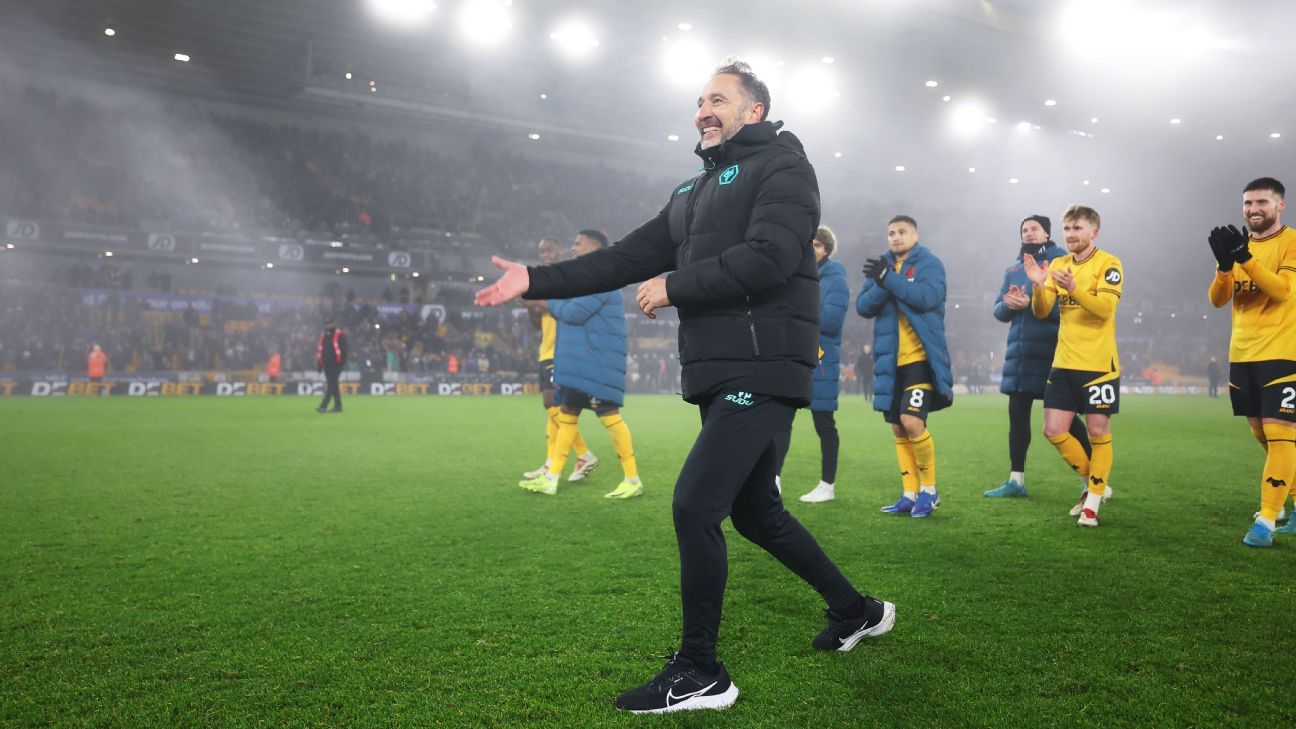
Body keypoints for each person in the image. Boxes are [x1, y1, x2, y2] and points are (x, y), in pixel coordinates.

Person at [476, 60, 892, 714]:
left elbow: (774, 255)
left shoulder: (783, 166)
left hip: (762, 365)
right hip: (721, 370)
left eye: (718, 98)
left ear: (753, 111)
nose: (703, 108)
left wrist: (676, 284)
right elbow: (619, 260)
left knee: (694, 504)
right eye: (699, 99)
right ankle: (856, 609)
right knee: (755, 511)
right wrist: (533, 278)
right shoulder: (693, 192)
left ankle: (701, 669)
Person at [517, 230, 642, 499]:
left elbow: (574, 313)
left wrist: (540, 300)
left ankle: (632, 479)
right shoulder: (587, 278)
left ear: (594, 248)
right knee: (567, 413)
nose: (573, 248)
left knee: (609, 416)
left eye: (577, 243)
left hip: (596, 362)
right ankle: (552, 478)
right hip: (580, 361)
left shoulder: (603, 278)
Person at [1206, 177, 1296, 546]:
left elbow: (1282, 291)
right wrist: (1225, 265)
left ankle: (1268, 520)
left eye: (1261, 202)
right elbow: (1217, 300)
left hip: (1283, 352)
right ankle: (1291, 502)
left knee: (1280, 432)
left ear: (1280, 205)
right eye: (1247, 203)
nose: (1253, 209)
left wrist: (1245, 257)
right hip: (1242, 354)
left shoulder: (1291, 242)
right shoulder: (1237, 246)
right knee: (1262, 433)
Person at [1022, 204, 1123, 526]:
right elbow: (1041, 311)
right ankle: (1097, 482)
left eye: (1077, 228)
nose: (1070, 235)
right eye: (1067, 229)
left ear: (1093, 232)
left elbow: (1105, 309)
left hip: (1098, 365)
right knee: (1053, 430)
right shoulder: (1058, 265)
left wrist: (1074, 289)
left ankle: (1091, 504)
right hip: (1063, 363)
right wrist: (1039, 285)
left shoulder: (1109, 264)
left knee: (1097, 431)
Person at [985, 216, 1092, 498]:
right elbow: (997, 310)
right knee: (1017, 417)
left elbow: (1071, 307)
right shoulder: (1013, 268)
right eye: (1024, 230)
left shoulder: (1063, 262)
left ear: (1047, 234)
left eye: (1034, 229)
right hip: (1020, 355)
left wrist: (1031, 304)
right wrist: (1009, 305)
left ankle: (1094, 478)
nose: (1028, 233)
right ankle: (1016, 480)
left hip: (1053, 352)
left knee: (1067, 419)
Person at [857, 215, 953, 518]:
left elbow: (927, 297)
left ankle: (930, 490)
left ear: (915, 234)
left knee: (912, 421)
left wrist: (889, 278)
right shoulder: (882, 267)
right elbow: (863, 306)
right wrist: (885, 279)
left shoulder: (930, 264)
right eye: (891, 233)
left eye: (901, 232)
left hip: (921, 359)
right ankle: (909, 494)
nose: (895, 237)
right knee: (898, 426)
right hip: (889, 362)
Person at [773, 225, 849, 503]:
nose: (811, 250)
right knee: (781, 420)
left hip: (821, 361)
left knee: (824, 423)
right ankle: (774, 479)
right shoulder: (796, 275)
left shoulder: (836, 280)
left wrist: (799, 303)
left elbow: (831, 322)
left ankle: (827, 485)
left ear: (826, 249)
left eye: (816, 245)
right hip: (793, 356)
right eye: (808, 245)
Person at [521, 237, 598, 483]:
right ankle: (550, 463)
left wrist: (532, 299)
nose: (545, 254)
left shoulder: (566, 277)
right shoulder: (541, 282)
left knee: (553, 405)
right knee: (551, 410)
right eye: (542, 250)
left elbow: (562, 307)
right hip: (546, 350)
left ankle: (584, 454)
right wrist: (528, 306)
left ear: (559, 250)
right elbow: (538, 323)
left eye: (550, 249)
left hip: (562, 351)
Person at [316, 318, 347, 413]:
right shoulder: (324, 336)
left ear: (333, 323)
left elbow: (344, 350)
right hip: (327, 364)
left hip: (336, 364)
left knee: (330, 384)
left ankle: (324, 405)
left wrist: (341, 364)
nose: (328, 325)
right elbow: (321, 351)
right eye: (326, 323)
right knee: (334, 384)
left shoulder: (339, 335)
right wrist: (320, 365)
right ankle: (338, 406)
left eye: (329, 323)